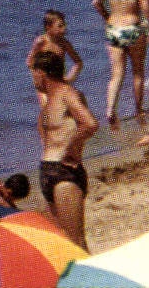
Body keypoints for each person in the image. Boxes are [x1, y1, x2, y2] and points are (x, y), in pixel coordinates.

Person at [32, 49, 98, 249]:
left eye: (33, 73)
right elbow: (46, 133)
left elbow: (90, 124)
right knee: (60, 244)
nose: (33, 79)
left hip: (64, 174)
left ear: (42, 73)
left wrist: (71, 149)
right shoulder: (48, 101)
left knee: (75, 242)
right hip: (48, 171)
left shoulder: (67, 93)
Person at [92, 0, 149, 129]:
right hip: (132, 27)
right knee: (137, 72)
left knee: (116, 73)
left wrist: (107, 18)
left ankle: (110, 109)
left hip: (114, 28)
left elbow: (96, 1)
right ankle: (138, 110)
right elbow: (146, 8)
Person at [27, 9, 83, 86]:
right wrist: (36, 79)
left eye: (64, 25)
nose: (64, 29)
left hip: (59, 82)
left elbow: (78, 63)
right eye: (60, 26)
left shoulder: (64, 43)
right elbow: (30, 62)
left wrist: (69, 79)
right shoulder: (41, 42)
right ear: (48, 27)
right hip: (44, 84)